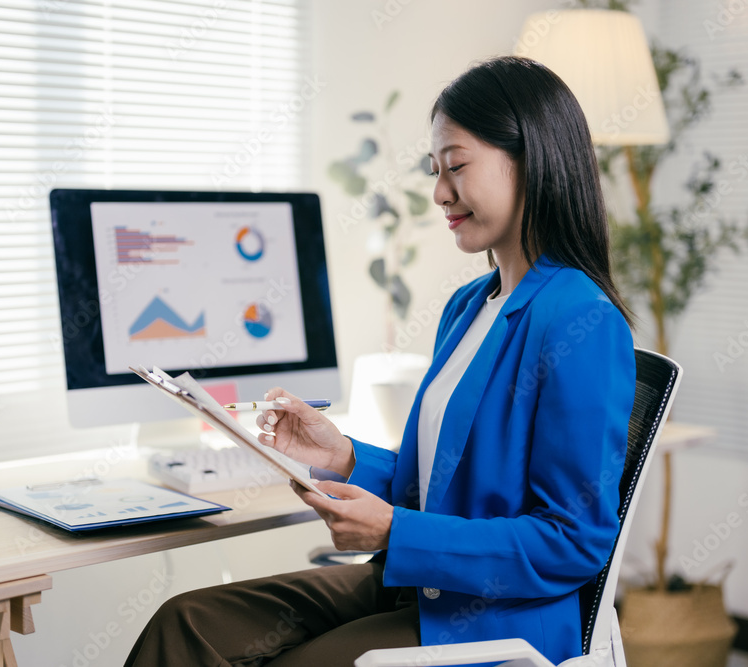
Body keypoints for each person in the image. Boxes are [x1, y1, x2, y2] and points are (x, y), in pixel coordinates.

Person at [124, 55, 637, 667]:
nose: (440, 193)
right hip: (416, 587)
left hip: (497, 619)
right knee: (187, 624)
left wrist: (397, 533)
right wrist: (340, 454)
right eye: (435, 170)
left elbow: (573, 541)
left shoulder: (581, 321)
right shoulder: (471, 305)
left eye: (457, 167)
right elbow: (440, 488)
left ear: (531, 160)